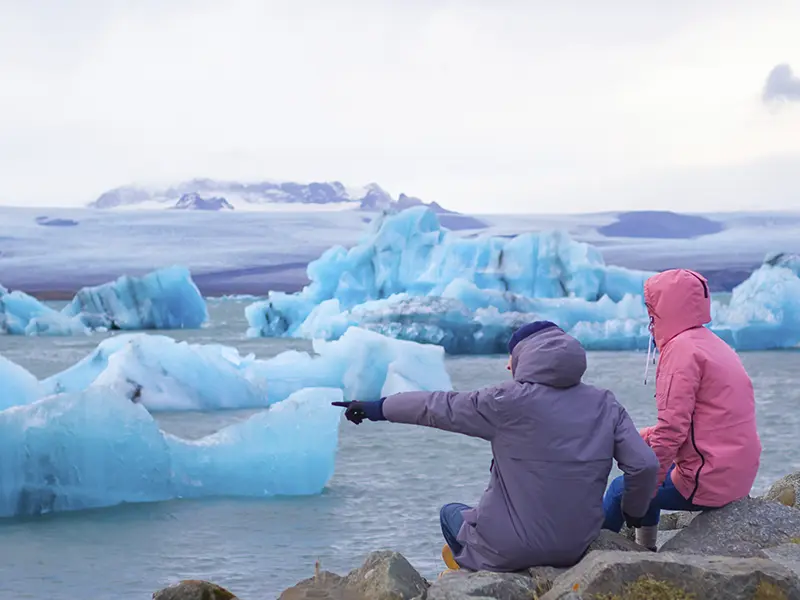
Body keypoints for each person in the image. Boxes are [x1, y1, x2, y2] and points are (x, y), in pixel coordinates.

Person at [332, 321, 659, 573]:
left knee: (451, 513)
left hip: (508, 548)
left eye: (512, 358)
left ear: (524, 358)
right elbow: (644, 466)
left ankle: (471, 565)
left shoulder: (504, 400)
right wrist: (632, 512)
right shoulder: (605, 403)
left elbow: (436, 406)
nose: (508, 366)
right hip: (575, 546)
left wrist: (376, 408)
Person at [601, 268, 762, 550]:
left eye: (651, 309)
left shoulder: (680, 351)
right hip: (736, 470)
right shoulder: (712, 344)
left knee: (622, 489)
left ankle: (595, 554)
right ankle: (646, 549)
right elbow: (705, 421)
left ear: (663, 308)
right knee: (647, 465)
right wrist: (644, 437)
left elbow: (673, 430)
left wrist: (644, 488)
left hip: (709, 478)